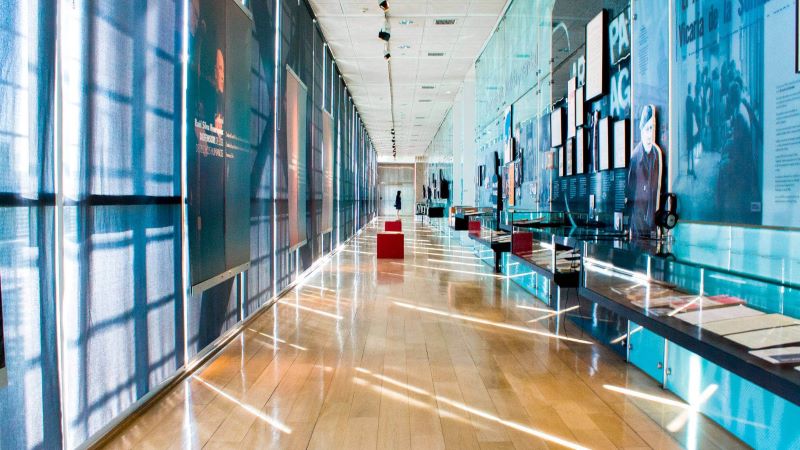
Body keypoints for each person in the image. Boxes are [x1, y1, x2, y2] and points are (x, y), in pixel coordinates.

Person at [625, 105, 663, 238]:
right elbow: (629, 190)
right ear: (641, 130)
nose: (649, 134)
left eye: (652, 128)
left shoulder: (656, 154)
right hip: (638, 222)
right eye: (647, 129)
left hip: (651, 220)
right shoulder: (635, 156)